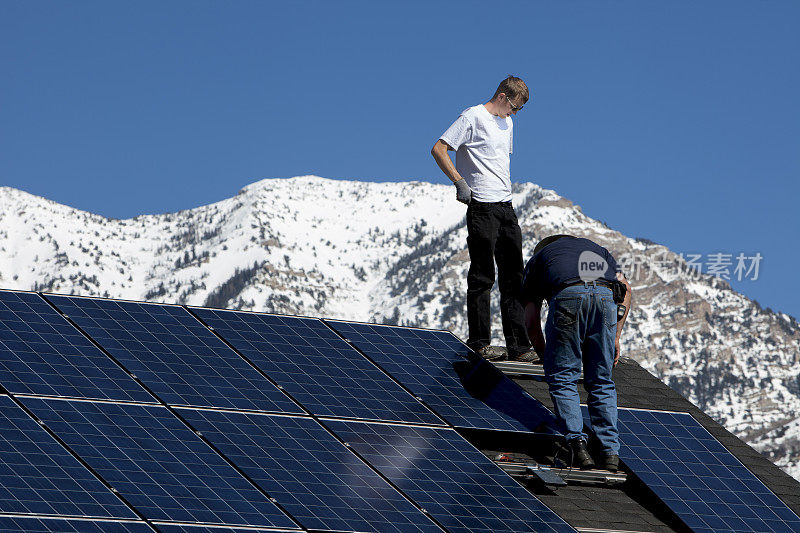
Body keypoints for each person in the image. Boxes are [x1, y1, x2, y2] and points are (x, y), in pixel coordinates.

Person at [431, 76, 537, 362]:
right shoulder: (472, 117)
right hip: (481, 206)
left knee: (514, 277)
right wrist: (460, 182)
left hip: (506, 206)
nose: (514, 114)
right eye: (514, 107)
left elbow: (497, 161)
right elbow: (439, 148)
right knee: (482, 275)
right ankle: (479, 342)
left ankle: (519, 346)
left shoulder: (508, 123)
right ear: (502, 97)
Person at [521, 234, 631, 471]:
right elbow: (626, 289)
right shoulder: (597, 249)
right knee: (601, 380)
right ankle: (610, 452)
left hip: (568, 296)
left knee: (563, 379)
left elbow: (530, 321)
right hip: (606, 298)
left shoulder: (539, 259)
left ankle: (577, 445)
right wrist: (616, 337)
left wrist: (546, 357)